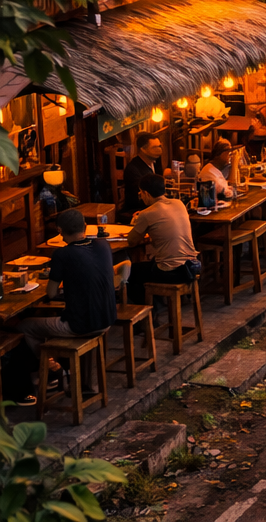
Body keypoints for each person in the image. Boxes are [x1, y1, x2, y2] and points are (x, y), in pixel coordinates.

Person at [7, 209, 116, 404]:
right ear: (85, 226)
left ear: (59, 231)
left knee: (24, 327)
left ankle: (51, 368)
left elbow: (50, 293)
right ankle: (59, 370)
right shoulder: (103, 245)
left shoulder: (62, 253)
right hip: (107, 319)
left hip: (81, 325)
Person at [125, 174, 199, 304]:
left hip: (172, 272)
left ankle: (148, 317)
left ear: (146, 193)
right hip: (192, 265)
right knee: (150, 265)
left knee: (130, 273)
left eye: (140, 193)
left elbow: (131, 241)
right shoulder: (179, 204)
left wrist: (138, 223)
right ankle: (156, 305)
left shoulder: (147, 214)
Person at [120, 132, 163, 217]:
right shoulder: (133, 169)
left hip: (155, 206)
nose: (159, 150)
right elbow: (146, 197)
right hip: (138, 210)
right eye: (155, 147)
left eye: (159, 146)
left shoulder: (156, 161)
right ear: (143, 149)